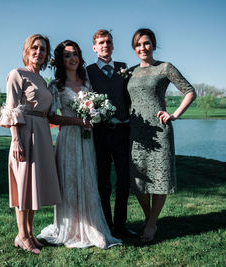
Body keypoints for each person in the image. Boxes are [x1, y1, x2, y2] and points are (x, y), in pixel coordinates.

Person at [37, 40, 122, 249]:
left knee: (88, 178)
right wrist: (77, 121)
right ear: (61, 60)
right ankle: (70, 227)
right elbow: (50, 117)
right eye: (67, 55)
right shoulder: (56, 86)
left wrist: (95, 115)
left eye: (75, 54)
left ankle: (92, 225)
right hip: (68, 139)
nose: (72, 58)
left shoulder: (87, 82)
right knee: (70, 181)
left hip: (88, 140)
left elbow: (95, 106)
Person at [127, 28, 197, 243]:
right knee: (138, 180)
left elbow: (190, 91)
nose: (142, 48)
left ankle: (150, 224)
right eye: (138, 45)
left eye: (146, 43)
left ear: (154, 45)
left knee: (160, 178)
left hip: (159, 130)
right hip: (136, 133)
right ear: (134, 48)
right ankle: (151, 220)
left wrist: (174, 114)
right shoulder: (129, 72)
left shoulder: (165, 68)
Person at [0, 34, 61, 255]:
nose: (38, 52)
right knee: (24, 186)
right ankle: (21, 236)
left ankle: (30, 233)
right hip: (25, 133)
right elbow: (12, 108)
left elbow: (47, 111)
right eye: (34, 48)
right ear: (27, 50)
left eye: (43, 49)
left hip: (42, 133)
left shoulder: (42, 80)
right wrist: (15, 140)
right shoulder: (17, 74)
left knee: (34, 186)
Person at [86, 30, 136, 238]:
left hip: (123, 131)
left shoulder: (123, 68)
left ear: (113, 46)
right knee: (103, 182)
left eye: (108, 42)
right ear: (94, 48)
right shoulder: (87, 71)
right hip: (100, 134)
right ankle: (106, 224)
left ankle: (121, 225)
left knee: (124, 180)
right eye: (101, 42)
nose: (105, 45)